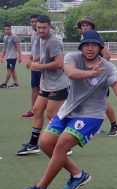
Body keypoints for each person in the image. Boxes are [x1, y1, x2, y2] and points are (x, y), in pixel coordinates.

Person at [20, 30, 117, 189]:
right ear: (81, 46)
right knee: (45, 143)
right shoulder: (72, 58)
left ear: (100, 47)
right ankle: (77, 174)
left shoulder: (109, 68)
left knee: (62, 143)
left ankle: (41, 188)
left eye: (94, 45)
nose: (90, 48)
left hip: (91, 115)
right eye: (86, 44)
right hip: (69, 110)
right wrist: (90, 73)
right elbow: (71, 73)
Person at [16, 15, 70, 155]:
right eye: (38, 27)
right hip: (46, 84)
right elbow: (46, 57)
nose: (40, 30)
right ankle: (33, 144)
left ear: (49, 27)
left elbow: (59, 63)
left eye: (43, 27)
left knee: (52, 115)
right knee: (37, 110)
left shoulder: (53, 42)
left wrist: (38, 66)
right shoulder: (41, 39)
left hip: (58, 85)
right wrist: (35, 61)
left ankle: (65, 146)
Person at [76, 17, 117, 137]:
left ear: (92, 27)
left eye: (87, 25)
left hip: (99, 75)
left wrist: (99, 69)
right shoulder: (83, 38)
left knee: (104, 101)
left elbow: (107, 55)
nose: (85, 27)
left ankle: (114, 126)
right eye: (83, 26)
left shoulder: (96, 38)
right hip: (90, 76)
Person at [20, 14, 41, 118]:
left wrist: (33, 61)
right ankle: (33, 111)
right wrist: (30, 59)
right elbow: (34, 49)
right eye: (32, 21)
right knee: (34, 87)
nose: (34, 23)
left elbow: (46, 52)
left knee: (49, 90)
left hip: (44, 66)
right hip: (35, 66)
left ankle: (55, 112)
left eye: (35, 21)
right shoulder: (33, 34)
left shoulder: (46, 34)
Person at [1, 22, 22, 88]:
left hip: (13, 57)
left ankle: (5, 84)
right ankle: (16, 84)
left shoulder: (14, 37)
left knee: (9, 70)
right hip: (8, 57)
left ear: (10, 29)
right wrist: (2, 56)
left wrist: (19, 56)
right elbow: (4, 47)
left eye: (8, 29)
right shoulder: (5, 37)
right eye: (5, 29)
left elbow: (18, 47)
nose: (6, 31)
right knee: (12, 70)